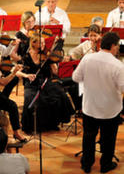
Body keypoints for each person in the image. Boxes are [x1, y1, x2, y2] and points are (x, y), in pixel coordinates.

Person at [73, 32, 124, 173]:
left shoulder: (87, 59)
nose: (118, 48)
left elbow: (76, 77)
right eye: (118, 45)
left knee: (88, 136)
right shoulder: (118, 65)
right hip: (110, 110)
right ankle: (105, 165)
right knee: (108, 139)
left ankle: (87, 164)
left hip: (90, 107)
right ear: (113, 46)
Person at [19, 35, 74, 134]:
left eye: (44, 43)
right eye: (41, 43)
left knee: (59, 95)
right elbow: (17, 72)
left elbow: (56, 73)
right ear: (34, 43)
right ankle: (30, 127)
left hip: (45, 82)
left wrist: (56, 63)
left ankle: (52, 124)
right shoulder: (26, 56)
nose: (43, 45)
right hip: (31, 83)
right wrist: (26, 76)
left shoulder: (47, 56)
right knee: (30, 99)